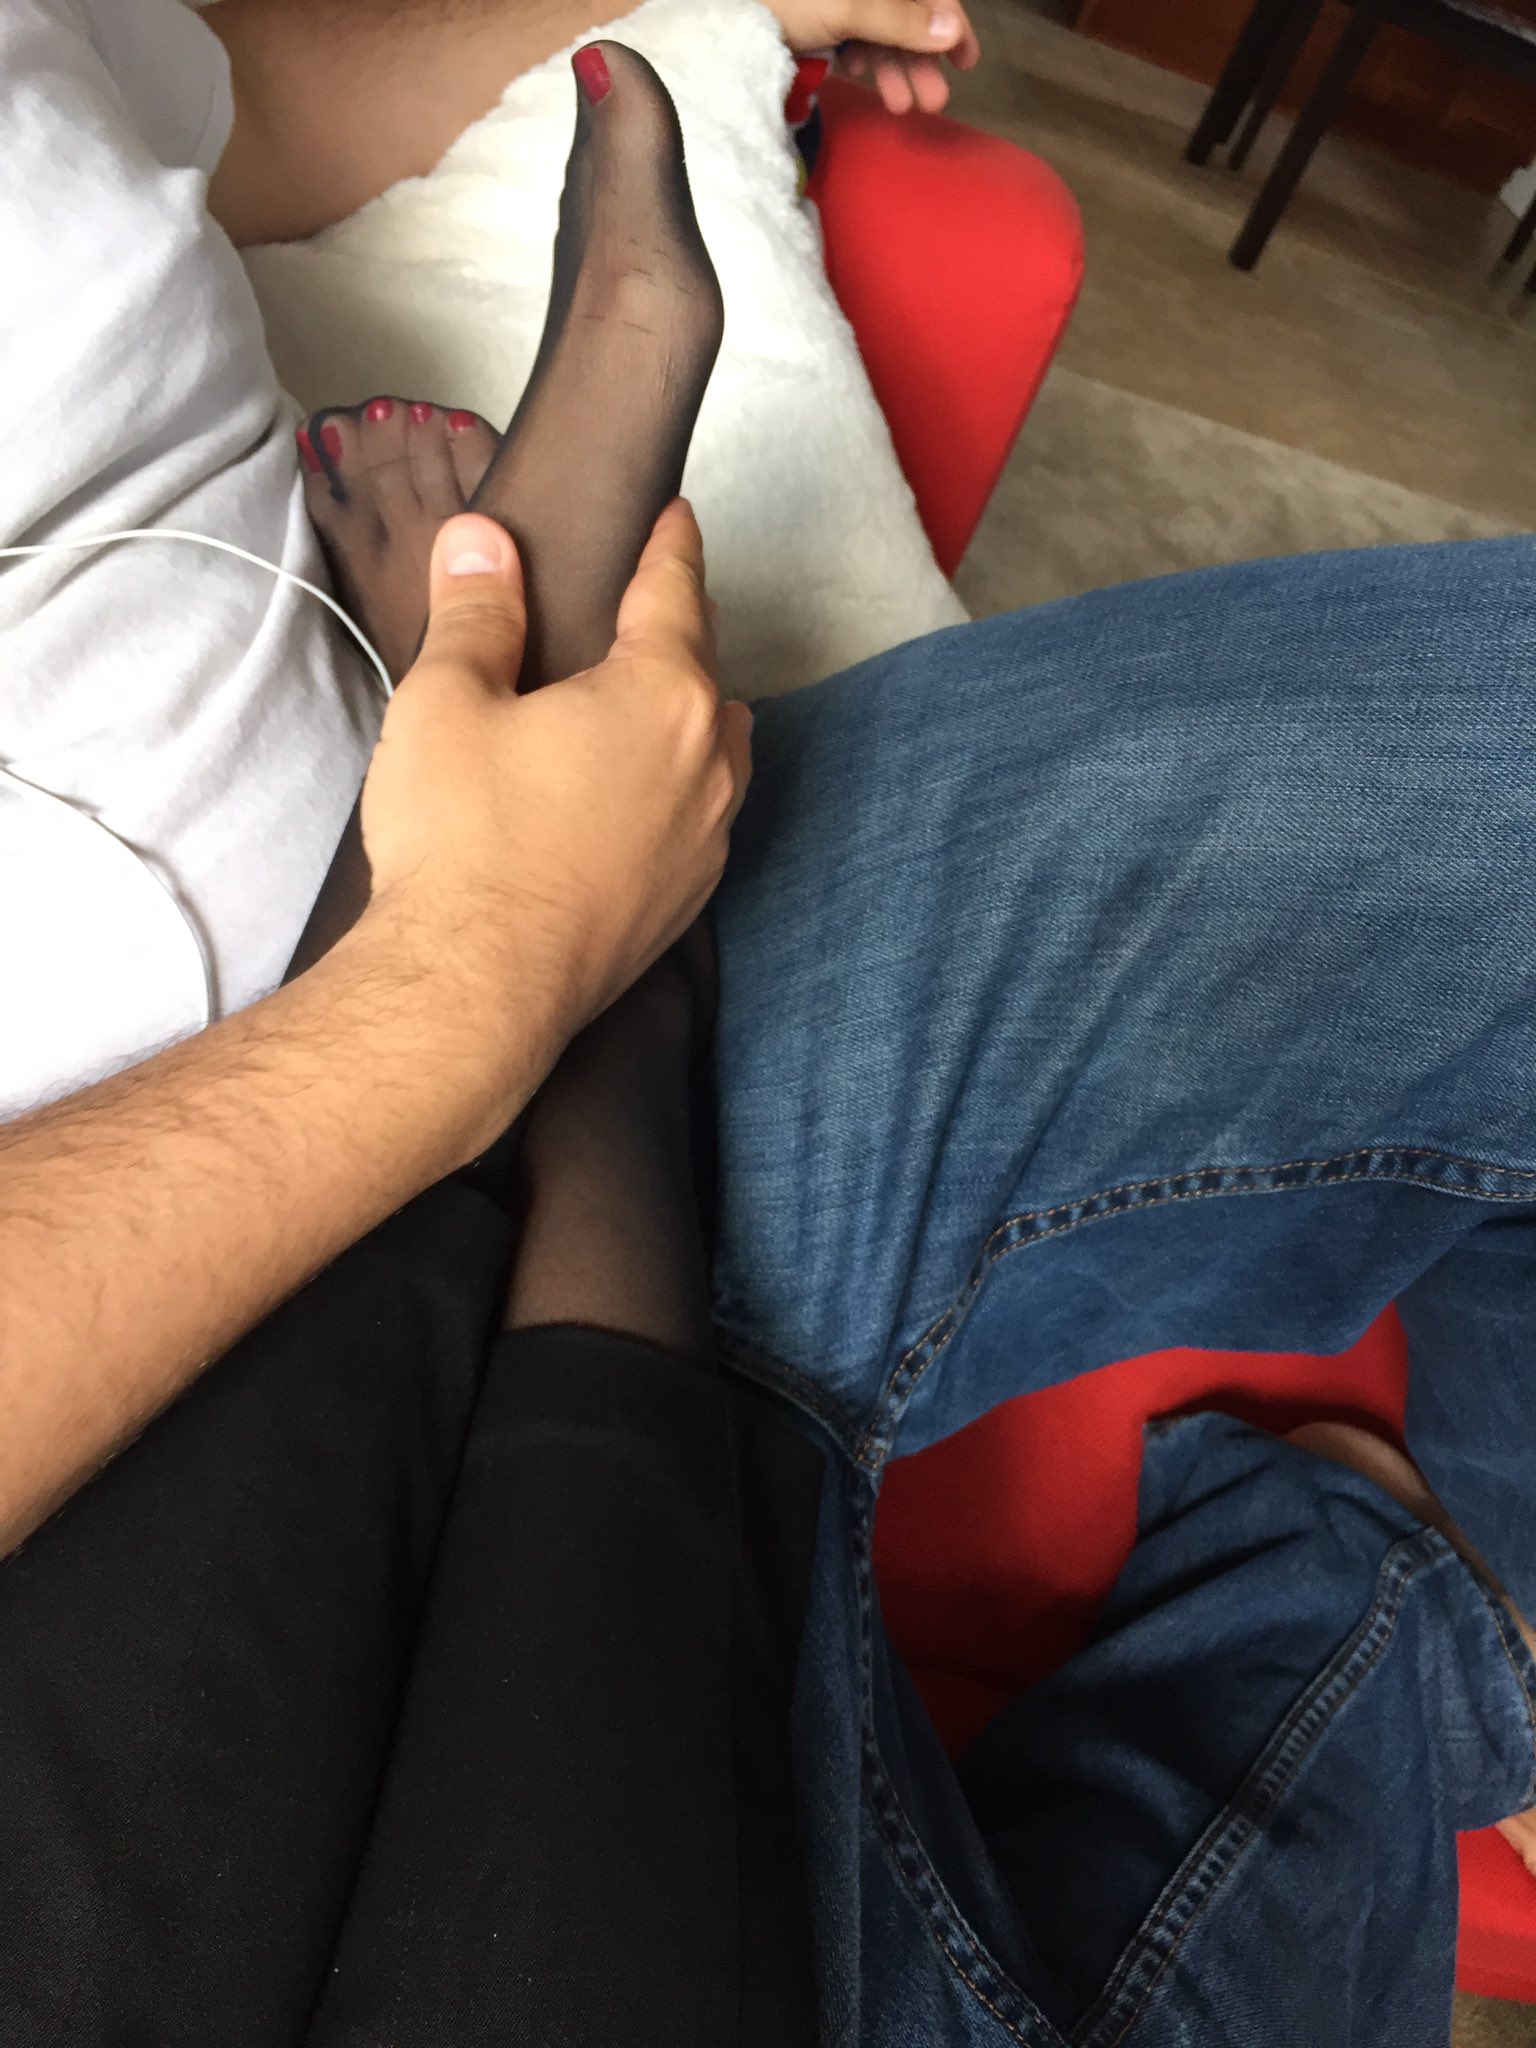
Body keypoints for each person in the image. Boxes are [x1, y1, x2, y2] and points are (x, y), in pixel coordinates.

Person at [4, 3, 1536, 2045]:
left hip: (387, 1062)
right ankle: (579, 860)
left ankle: (548, 785)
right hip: (410, 1047)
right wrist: (472, 979)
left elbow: (238, 102)